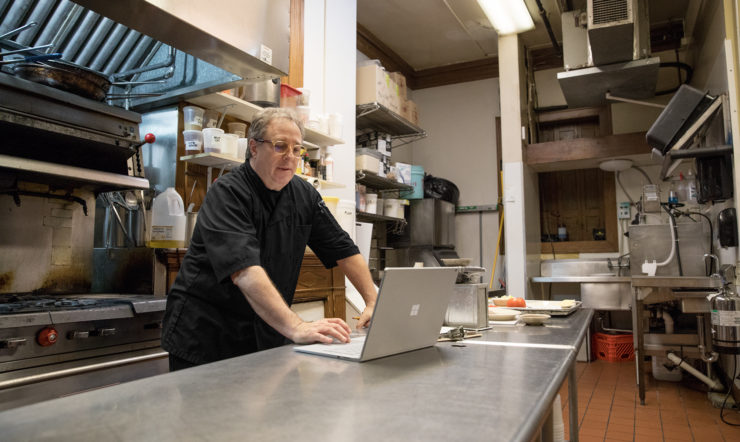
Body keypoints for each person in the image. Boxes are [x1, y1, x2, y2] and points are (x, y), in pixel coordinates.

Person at [162, 107, 377, 371]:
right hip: (208, 336)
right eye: (279, 146)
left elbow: (343, 248)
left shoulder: (304, 195)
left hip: (267, 332)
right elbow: (245, 272)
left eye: (297, 149)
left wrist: (372, 300)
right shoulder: (228, 192)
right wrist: (297, 326)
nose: (290, 157)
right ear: (254, 147)